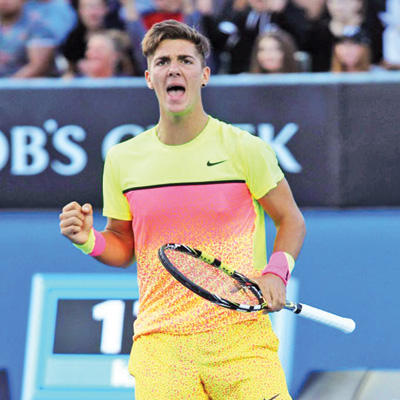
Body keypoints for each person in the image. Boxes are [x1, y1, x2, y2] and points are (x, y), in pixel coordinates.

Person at [59, 19, 306, 400]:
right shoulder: (123, 159)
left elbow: (290, 220)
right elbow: (123, 246)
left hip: (241, 341)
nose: (174, 69)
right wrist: (87, 240)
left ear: (204, 75)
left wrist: (276, 272)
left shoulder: (245, 148)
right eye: (163, 62)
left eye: (186, 61)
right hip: (162, 346)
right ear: (149, 78)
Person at [0, 0, 57, 77]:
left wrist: (8, 84)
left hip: (25, 83)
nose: (4, 1)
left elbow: (37, 67)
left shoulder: (37, 26)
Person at [63, 29, 136, 78]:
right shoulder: (73, 84)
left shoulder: (126, 85)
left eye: (100, 49)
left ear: (114, 56)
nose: (93, 53)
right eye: (90, 48)